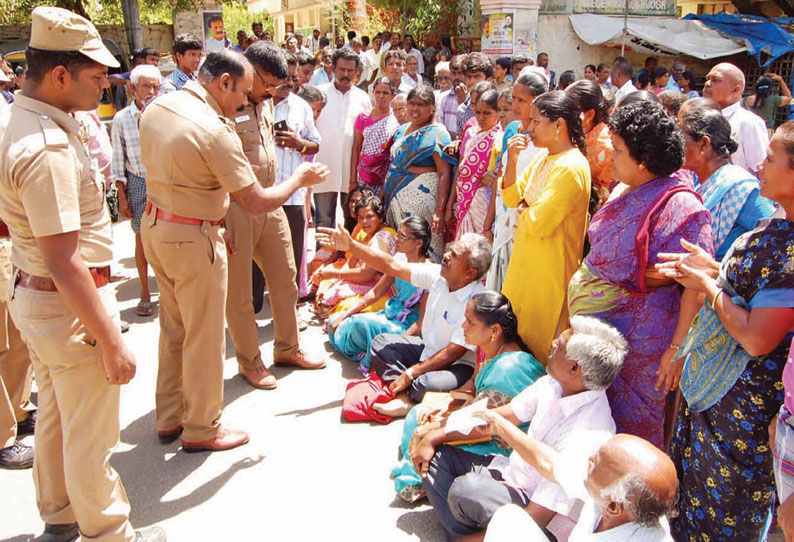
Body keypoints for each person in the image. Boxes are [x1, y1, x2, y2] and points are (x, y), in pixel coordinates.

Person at [0, 6, 167, 541]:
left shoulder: (21, 120)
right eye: (97, 78)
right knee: (92, 437)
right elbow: (64, 259)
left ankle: (59, 513)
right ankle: (109, 533)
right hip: (65, 303)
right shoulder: (45, 146)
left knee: (56, 418)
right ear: (60, 76)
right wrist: (110, 338)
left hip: (39, 301)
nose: (103, 88)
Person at [140, 50, 328, 451]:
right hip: (204, 226)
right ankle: (203, 427)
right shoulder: (214, 126)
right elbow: (255, 198)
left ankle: (171, 416)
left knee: (175, 328)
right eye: (243, 90)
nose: (245, 100)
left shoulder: (161, 106)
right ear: (225, 81)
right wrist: (298, 179)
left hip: (162, 224)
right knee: (206, 335)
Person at [656, 122, 794, 542]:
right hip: (716, 397)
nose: (758, 164)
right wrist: (714, 269)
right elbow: (754, 292)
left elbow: (757, 337)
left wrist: (710, 287)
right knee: (691, 497)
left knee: (723, 510)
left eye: (771, 159)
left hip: (742, 405)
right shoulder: (776, 225)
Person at [567, 100, 713, 449]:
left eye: (617, 150)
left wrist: (675, 350)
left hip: (642, 347)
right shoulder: (626, 188)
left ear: (643, 160)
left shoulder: (683, 207)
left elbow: (695, 286)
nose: (610, 156)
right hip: (602, 336)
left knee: (631, 433)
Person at [417, 316, 627, 539]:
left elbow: (534, 518)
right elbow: (498, 418)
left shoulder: (589, 435)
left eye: (561, 344)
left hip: (535, 508)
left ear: (574, 367)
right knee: (435, 458)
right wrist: (433, 436)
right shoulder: (553, 384)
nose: (553, 342)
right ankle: (464, 536)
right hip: (512, 473)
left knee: (468, 492)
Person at [317, 228, 491, 419]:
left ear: (470, 273)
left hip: (456, 365)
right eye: (450, 250)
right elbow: (392, 265)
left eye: (455, 256)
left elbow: (453, 352)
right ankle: (404, 397)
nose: (446, 256)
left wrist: (410, 373)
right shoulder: (438, 276)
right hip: (427, 352)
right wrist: (352, 246)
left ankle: (408, 395)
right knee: (381, 343)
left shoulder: (476, 300)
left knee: (423, 385)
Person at [391, 291, 545, 503]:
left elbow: (485, 425)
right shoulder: (490, 348)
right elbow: (474, 386)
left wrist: (436, 431)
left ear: (494, 330)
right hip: (481, 419)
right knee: (418, 413)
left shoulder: (508, 369)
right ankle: (420, 470)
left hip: (502, 446)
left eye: (470, 322)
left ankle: (421, 478)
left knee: (426, 434)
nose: (463, 326)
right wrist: (449, 402)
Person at [500, 91, 590, 365]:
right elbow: (511, 198)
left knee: (537, 350)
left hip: (549, 274)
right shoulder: (543, 158)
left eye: (536, 122)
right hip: (525, 265)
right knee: (513, 335)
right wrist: (513, 161)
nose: (528, 129)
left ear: (559, 124)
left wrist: (524, 211)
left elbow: (540, 222)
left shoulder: (571, 166)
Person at [484, 434, 677, 542]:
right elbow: (550, 464)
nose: (589, 460)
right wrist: (498, 423)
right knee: (509, 518)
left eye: (596, 465)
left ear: (613, 507)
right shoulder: (623, 497)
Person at [328, 216, 430, 373]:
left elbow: (420, 324)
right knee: (336, 319)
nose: (396, 239)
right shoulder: (399, 259)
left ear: (418, 243)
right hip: (390, 314)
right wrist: (345, 315)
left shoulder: (428, 274)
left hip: (406, 327)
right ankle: (367, 348)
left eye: (402, 237)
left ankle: (373, 350)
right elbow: (376, 292)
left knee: (362, 325)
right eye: (398, 234)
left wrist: (395, 344)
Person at [680, 103, 775, 260]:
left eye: (681, 140)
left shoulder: (742, 189)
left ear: (704, 144)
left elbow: (773, 243)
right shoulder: (697, 183)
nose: (675, 146)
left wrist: (720, 270)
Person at [383, 85, 455, 261]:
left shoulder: (437, 133)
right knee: (401, 252)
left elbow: (445, 172)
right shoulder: (402, 129)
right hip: (395, 198)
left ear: (432, 108)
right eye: (412, 103)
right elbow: (395, 163)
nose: (415, 109)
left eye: (421, 105)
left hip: (423, 204)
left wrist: (440, 210)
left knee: (423, 251)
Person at [111, 64, 160, 318]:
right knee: (141, 238)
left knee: (166, 238)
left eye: (155, 87)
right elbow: (118, 161)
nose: (151, 91)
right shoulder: (122, 119)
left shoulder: (164, 115)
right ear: (132, 89)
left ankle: (167, 290)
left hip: (164, 182)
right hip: (138, 182)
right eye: (146, 86)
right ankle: (144, 292)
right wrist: (121, 195)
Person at [273, 52, 321, 297]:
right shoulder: (250, 105)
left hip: (292, 197)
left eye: (293, 77)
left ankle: (289, 304)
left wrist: (297, 143)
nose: (290, 83)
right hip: (259, 195)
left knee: (292, 255)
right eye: (285, 77)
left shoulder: (300, 107)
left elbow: (315, 145)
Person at [313, 48, 371, 230]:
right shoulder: (319, 94)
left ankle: (347, 258)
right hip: (324, 167)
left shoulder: (363, 98)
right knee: (323, 222)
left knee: (352, 221)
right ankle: (322, 258)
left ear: (357, 72)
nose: (345, 74)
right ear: (333, 69)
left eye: (350, 71)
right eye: (341, 70)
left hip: (351, 171)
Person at [313, 196, 396, 316]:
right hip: (362, 280)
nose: (364, 222)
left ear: (380, 216)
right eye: (361, 218)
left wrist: (334, 275)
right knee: (327, 284)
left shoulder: (384, 237)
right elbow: (351, 262)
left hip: (381, 288)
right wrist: (333, 280)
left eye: (369, 217)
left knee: (343, 305)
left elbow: (367, 274)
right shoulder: (365, 232)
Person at [447, 89, 502, 241]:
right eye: (478, 112)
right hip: (464, 196)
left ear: (498, 113)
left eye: (487, 113)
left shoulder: (500, 137)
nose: (481, 118)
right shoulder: (470, 133)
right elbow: (461, 167)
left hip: (483, 200)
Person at [703, 62, 769, 175]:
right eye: (708, 79)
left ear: (735, 90)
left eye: (716, 80)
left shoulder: (748, 123)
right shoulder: (702, 119)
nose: (708, 84)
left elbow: (761, 171)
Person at [350, 77, 400, 192]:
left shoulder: (396, 119)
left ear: (393, 95)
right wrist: (353, 180)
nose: (381, 96)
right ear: (372, 93)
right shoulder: (363, 117)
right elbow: (356, 148)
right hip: (364, 175)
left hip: (385, 176)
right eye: (377, 92)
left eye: (385, 93)